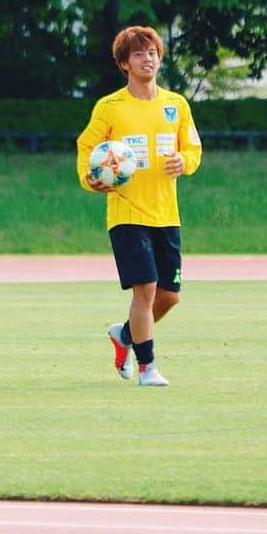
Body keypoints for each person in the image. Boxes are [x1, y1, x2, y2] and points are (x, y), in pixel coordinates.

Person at [76, 25, 202, 387]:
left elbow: (193, 148)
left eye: (152, 53)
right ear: (123, 64)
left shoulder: (176, 105)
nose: (147, 59)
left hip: (166, 214)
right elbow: (87, 148)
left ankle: (126, 336)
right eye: (137, 54)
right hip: (127, 213)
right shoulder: (110, 107)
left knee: (169, 296)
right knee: (145, 288)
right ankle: (147, 367)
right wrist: (90, 178)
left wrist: (185, 161)